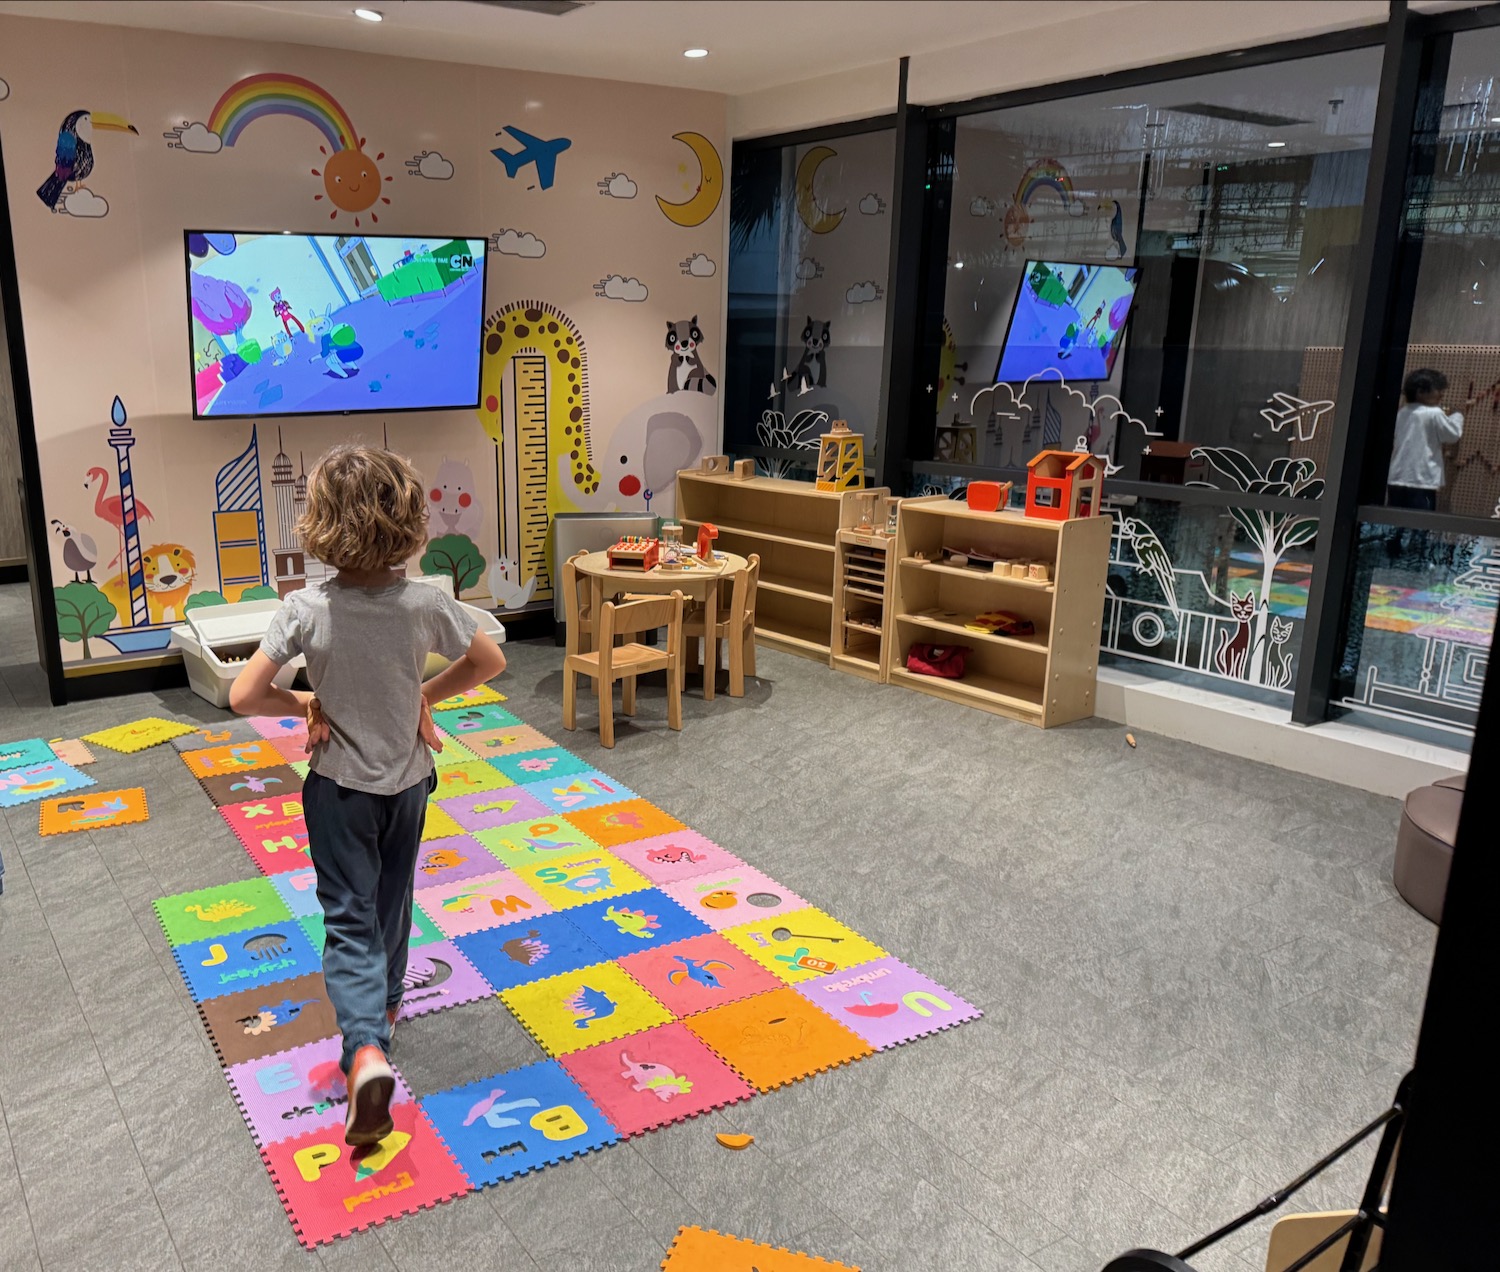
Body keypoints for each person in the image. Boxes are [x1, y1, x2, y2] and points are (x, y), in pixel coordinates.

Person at [228, 444, 506, 1146]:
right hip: (409, 783)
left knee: (348, 916)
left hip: (339, 791)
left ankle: (364, 1050)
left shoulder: (306, 607)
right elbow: (489, 659)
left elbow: (242, 694)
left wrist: (304, 701)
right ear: (408, 521)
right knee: (394, 899)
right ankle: (383, 1011)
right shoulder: (426, 602)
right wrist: (424, 696)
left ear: (319, 523)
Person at [1387, 368, 1469, 511]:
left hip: (1396, 478)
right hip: (1421, 480)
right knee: (1419, 524)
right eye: (1437, 389)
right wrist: (1458, 416)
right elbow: (1452, 435)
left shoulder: (1402, 412)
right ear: (1420, 392)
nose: (1441, 394)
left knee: (1395, 521)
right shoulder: (1433, 413)